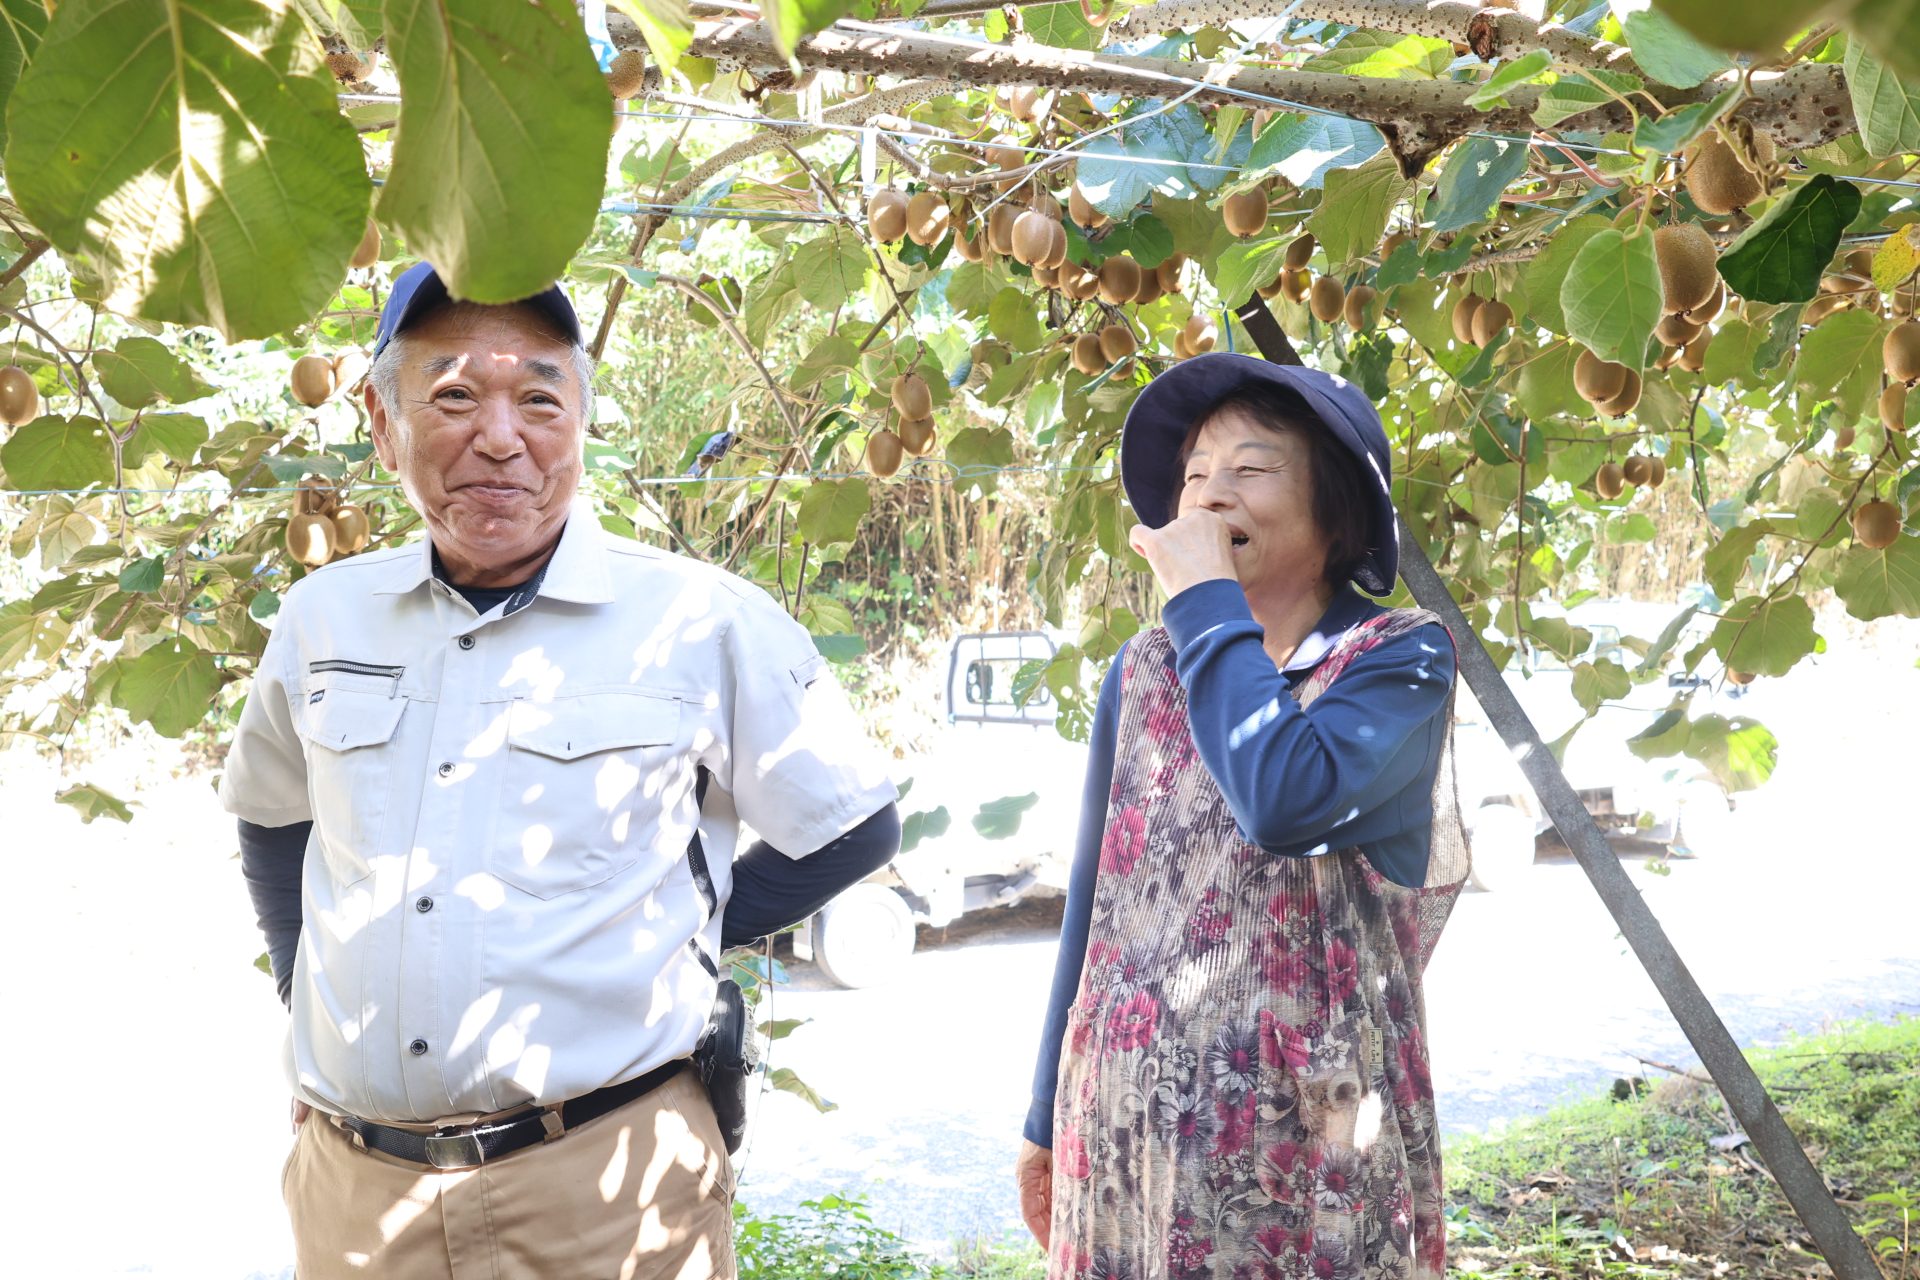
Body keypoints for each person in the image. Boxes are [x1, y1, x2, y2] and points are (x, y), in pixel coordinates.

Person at [223, 262, 901, 1280]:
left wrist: (680, 933)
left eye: (539, 397)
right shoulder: (325, 618)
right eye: (453, 395)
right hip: (358, 1197)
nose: (500, 436)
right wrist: (298, 981)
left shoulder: (696, 618)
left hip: (602, 1187)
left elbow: (855, 824)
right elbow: (272, 813)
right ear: (381, 417)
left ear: (581, 418)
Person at [1013, 353, 1469, 1279]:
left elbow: (1285, 799)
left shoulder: (1399, 659)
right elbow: (1097, 901)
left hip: (1312, 1134)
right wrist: (1041, 1119)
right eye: (1193, 477)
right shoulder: (1144, 669)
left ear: (1335, 512)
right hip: (1129, 1120)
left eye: (1251, 470)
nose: (1211, 497)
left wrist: (1206, 604)